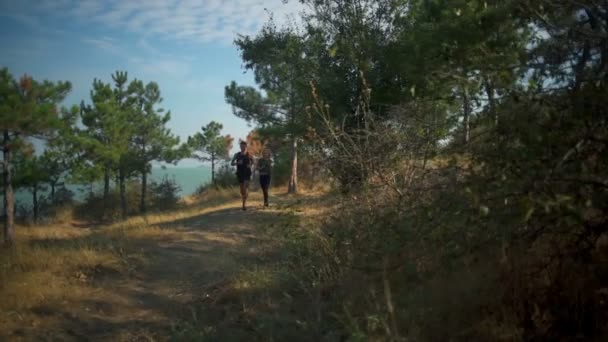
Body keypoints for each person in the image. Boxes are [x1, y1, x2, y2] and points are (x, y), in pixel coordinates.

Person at [231, 141, 253, 210]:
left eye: (244, 146)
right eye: (241, 146)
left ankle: (244, 204)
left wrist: (250, 165)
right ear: (240, 147)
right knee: (242, 190)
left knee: (245, 188)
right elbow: (231, 163)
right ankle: (244, 198)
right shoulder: (237, 155)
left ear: (246, 146)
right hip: (240, 173)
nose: (242, 147)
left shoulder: (249, 154)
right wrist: (237, 163)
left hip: (247, 173)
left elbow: (253, 162)